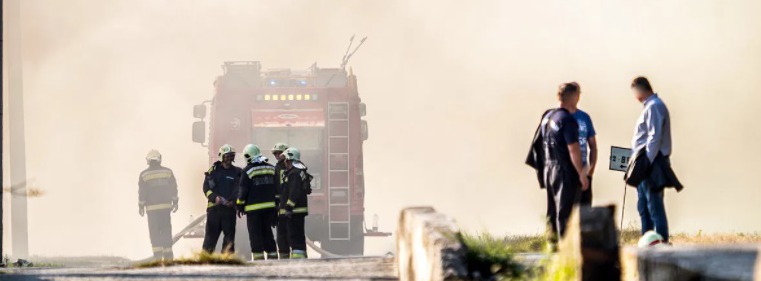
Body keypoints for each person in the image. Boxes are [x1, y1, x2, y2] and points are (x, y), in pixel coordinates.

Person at [534, 82, 589, 240]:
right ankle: (564, 250)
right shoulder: (567, 119)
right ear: (574, 96)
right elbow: (573, 148)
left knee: (552, 211)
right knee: (566, 213)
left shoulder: (548, 116)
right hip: (564, 170)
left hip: (549, 168)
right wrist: (581, 173)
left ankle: (551, 245)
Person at [629, 76, 678, 243]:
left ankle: (661, 241)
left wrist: (646, 162)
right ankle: (648, 240)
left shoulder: (654, 106)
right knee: (643, 206)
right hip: (646, 161)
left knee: (654, 204)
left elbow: (654, 137)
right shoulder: (649, 106)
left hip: (652, 162)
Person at [236, 144, 278, 260]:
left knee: (255, 235)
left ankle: (259, 260)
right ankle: (273, 257)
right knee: (268, 233)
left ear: (247, 156)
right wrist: (276, 207)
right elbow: (277, 189)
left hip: (253, 210)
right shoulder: (271, 168)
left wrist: (239, 206)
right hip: (270, 208)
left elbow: (243, 190)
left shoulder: (247, 171)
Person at [138, 149, 179, 260]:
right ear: (160, 159)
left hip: (152, 210)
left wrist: (141, 206)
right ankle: (168, 257)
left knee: (155, 232)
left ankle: (157, 257)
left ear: (148, 161)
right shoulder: (168, 172)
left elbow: (142, 193)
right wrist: (175, 202)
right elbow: (173, 189)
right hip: (166, 208)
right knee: (166, 230)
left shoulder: (144, 175)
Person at [202, 144, 242, 254]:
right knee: (210, 239)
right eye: (227, 156)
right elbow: (206, 188)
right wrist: (215, 198)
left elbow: (239, 190)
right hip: (214, 210)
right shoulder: (213, 171)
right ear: (221, 157)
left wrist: (233, 202)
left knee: (229, 240)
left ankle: (227, 262)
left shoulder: (237, 172)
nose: (229, 159)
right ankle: (205, 261)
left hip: (229, 210)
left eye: (231, 156)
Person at [568, 82, 598, 206]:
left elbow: (593, 146)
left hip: (584, 170)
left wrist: (591, 171)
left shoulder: (584, 117)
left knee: (584, 209)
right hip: (566, 171)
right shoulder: (560, 116)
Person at [281, 147, 311, 259]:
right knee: (299, 235)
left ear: (290, 158)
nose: (284, 161)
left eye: (286, 159)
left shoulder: (294, 173)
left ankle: (297, 259)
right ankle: (301, 255)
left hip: (294, 211)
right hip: (299, 210)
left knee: (294, 236)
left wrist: (288, 207)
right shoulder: (301, 171)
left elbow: (294, 192)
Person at [271, 143, 291, 259]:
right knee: (281, 235)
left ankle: (296, 259)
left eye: (280, 153)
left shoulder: (293, 167)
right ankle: (284, 258)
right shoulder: (276, 168)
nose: (277, 155)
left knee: (292, 234)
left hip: (291, 206)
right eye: (276, 153)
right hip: (280, 206)